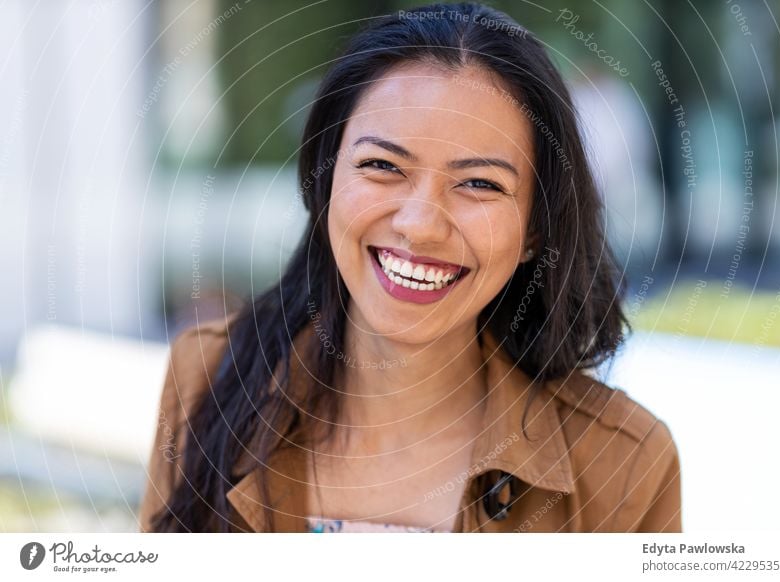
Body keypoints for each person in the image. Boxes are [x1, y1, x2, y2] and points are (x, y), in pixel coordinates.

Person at [139, 2, 681, 533]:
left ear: (534, 230)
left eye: (479, 183)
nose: (420, 224)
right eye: (381, 165)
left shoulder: (626, 463)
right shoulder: (206, 376)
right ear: (326, 182)